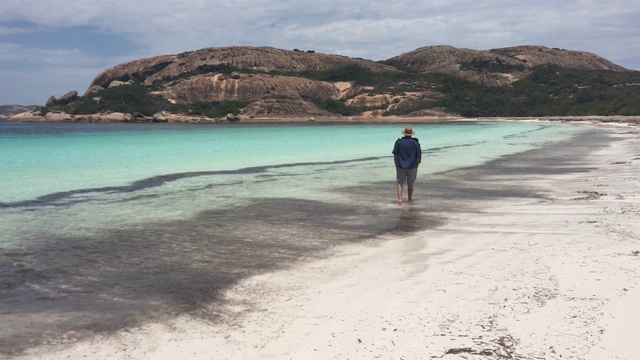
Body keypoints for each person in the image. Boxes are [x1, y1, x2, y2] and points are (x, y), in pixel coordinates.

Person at [392, 127, 422, 204]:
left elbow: (395, 155)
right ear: (411, 134)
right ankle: (410, 198)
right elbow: (418, 156)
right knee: (410, 184)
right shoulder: (415, 143)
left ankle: (399, 200)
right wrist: (417, 165)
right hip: (412, 166)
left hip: (400, 166)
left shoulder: (399, 142)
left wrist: (396, 165)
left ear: (404, 133)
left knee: (400, 183)